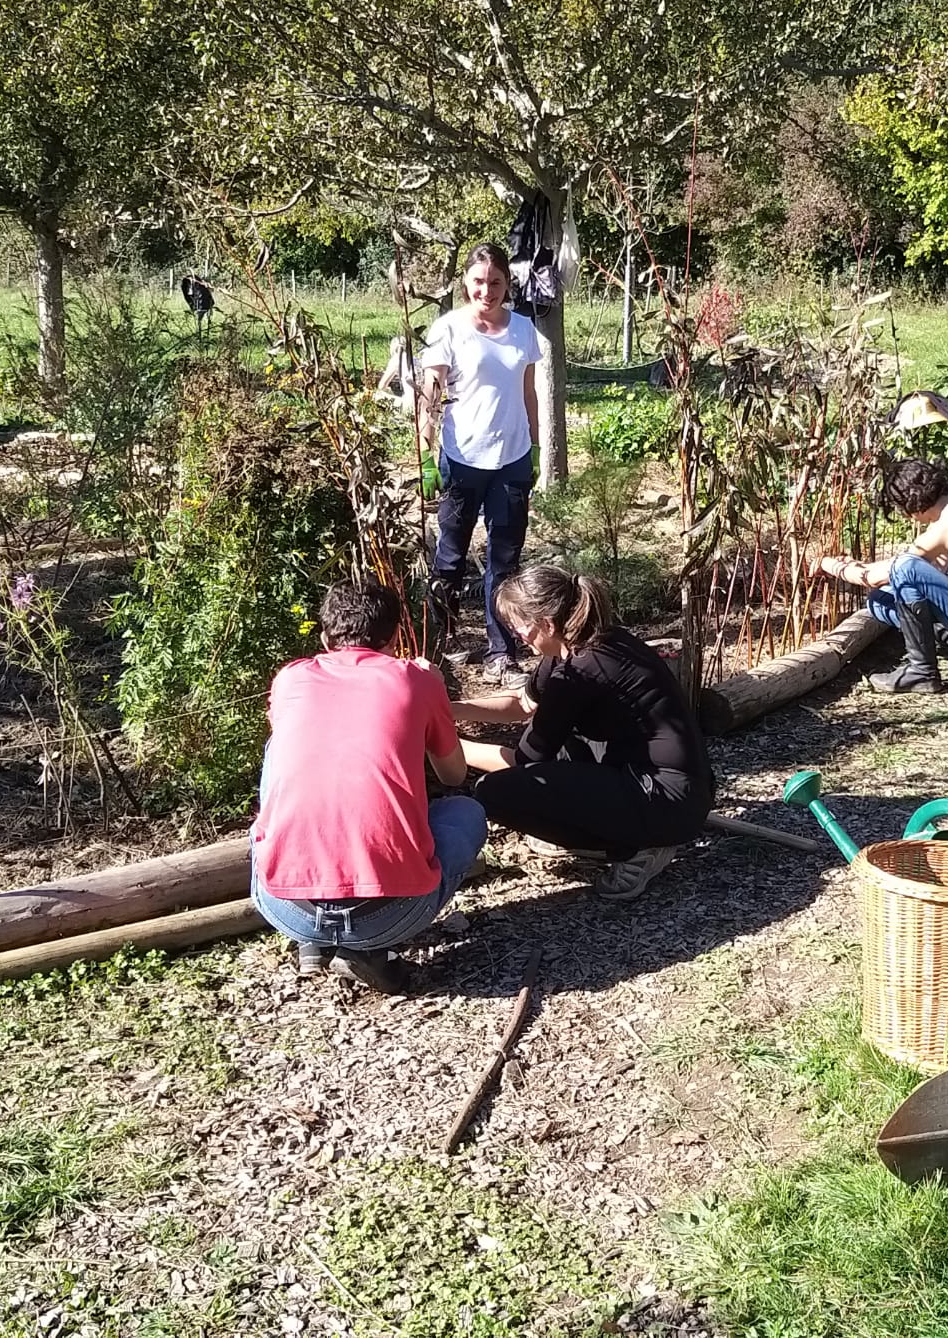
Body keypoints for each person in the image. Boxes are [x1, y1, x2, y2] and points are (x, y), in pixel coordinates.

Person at [249, 578, 485, 991]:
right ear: (394, 635)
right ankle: (370, 949)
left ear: (324, 637)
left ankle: (312, 939)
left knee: (279, 748)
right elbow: (453, 776)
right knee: (467, 813)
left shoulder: (290, 679)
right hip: (391, 913)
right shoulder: (417, 679)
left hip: (286, 905)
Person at [451, 566, 714, 902]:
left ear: (546, 623)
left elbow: (521, 762)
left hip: (667, 801)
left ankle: (635, 850)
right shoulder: (586, 644)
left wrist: (442, 744)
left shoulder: (581, 671)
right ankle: (606, 833)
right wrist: (449, 710)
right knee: (561, 747)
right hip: (676, 787)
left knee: (494, 791)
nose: (516, 634)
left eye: (519, 625)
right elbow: (524, 704)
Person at [419, 241, 543, 681]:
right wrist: (425, 451)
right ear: (465, 283)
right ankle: (437, 648)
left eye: (495, 282)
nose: (486, 291)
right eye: (478, 282)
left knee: (504, 561)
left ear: (507, 284)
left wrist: (536, 446)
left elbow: (527, 393)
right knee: (450, 556)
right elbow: (431, 394)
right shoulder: (448, 329)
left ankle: (501, 653)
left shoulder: (524, 330)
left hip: (511, 458)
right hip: (462, 458)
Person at [817, 457, 948, 694]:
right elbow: (910, 567)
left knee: (905, 569)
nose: (908, 518)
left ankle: (921, 671)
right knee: (880, 601)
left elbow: (884, 574)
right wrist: (860, 565)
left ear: (911, 503)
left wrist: (829, 565)